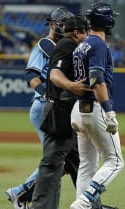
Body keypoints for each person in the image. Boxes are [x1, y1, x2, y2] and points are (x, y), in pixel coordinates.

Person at [5, 7, 75, 209]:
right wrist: (46, 92)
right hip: (44, 106)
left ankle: (22, 193)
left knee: (60, 160)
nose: (64, 26)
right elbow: (31, 76)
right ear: (52, 24)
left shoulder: (64, 46)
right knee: (55, 160)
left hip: (56, 107)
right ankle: (20, 194)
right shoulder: (43, 46)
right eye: (61, 23)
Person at [31, 15, 89, 209]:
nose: (87, 35)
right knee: (51, 163)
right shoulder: (66, 46)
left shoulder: (70, 46)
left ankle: (89, 203)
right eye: (84, 32)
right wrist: (71, 86)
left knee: (79, 163)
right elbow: (55, 74)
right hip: (60, 109)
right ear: (76, 32)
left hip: (67, 109)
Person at [70, 3, 125, 209]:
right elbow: (97, 80)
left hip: (79, 109)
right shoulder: (98, 44)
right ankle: (84, 202)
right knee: (115, 161)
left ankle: (83, 205)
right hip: (95, 108)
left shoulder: (81, 45)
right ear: (108, 22)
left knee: (87, 166)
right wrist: (109, 111)